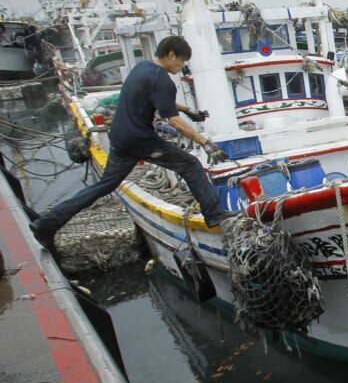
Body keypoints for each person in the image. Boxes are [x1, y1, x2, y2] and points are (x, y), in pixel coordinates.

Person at [30, 35, 231, 255]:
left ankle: (46, 224)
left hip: (120, 138)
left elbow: (160, 100)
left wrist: (188, 110)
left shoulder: (142, 69)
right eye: (182, 60)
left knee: (103, 186)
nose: (182, 66)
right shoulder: (162, 80)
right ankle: (214, 215)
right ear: (171, 54)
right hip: (140, 140)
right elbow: (174, 121)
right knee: (190, 164)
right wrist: (206, 143)